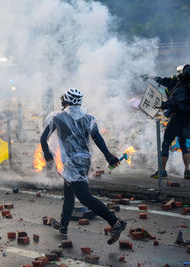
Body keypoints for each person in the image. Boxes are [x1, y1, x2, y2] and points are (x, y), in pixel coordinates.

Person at [40, 88, 126, 245]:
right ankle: (63, 226)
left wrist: (47, 155)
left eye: (63, 101)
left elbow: (43, 138)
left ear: (66, 102)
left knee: (84, 197)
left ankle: (115, 222)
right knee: (69, 193)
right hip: (84, 162)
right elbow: (97, 138)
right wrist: (108, 156)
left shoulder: (58, 117)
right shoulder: (89, 118)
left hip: (71, 164)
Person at [148, 64, 190, 179]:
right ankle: (187, 171)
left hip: (176, 121)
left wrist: (159, 104)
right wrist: (152, 77)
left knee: (165, 144)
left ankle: (162, 171)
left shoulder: (179, 89)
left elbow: (171, 104)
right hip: (187, 121)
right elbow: (165, 81)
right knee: (183, 144)